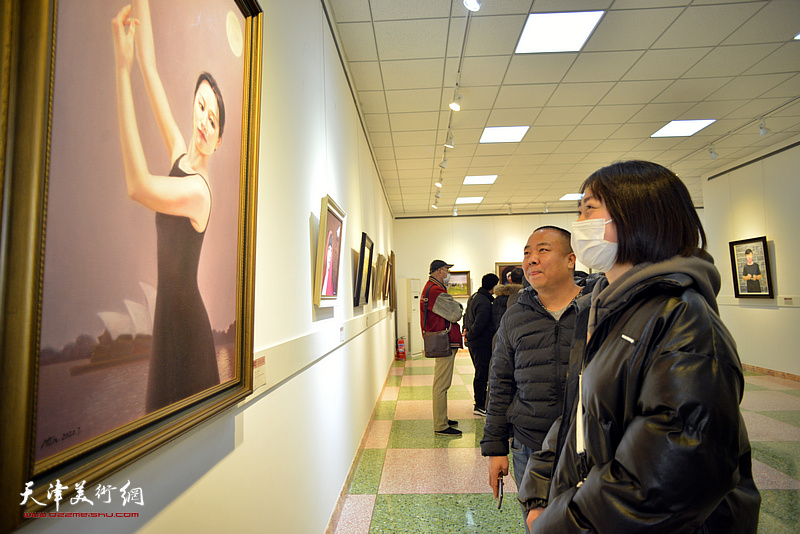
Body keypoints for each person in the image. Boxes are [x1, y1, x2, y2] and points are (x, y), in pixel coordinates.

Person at [519, 160, 760, 532]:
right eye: (579, 210)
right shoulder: (607, 309)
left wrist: (561, 523)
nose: (581, 222)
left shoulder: (683, 320)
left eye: (590, 208)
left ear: (637, 215)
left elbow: (665, 479)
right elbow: (582, 414)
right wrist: (540, 489)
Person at [113, 1, 223, 412]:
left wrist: (119, 71)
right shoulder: (180, 154)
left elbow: (137, 185)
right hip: (167, 320)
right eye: (200, 107)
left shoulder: (199, 192)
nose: (202, 121)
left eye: (212, 120)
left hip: (187, 328)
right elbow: (150, 66)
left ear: (219, 140)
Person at [481, 227, 591, 531]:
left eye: (543, 250)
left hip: (587, 446)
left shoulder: (596, 311)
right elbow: (500, 383)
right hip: (529, 445)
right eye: (527, 253)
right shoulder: (515, 316)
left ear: (571, 259)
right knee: (537, 526)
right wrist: (495, 448)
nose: (531, 260)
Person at [421, 260, 464, 436]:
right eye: (447, 270)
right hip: (444, 341)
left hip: (443, 340)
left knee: (442, 383)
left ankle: (443, 418)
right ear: (439, 271)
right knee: (441, 384)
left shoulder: (432, 288)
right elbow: (456, 313)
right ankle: (440, 424)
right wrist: (459, 306)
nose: (448, 274)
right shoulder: (435, 290)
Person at [463, 273, 499, 416]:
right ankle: (479, 405)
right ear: (494, 286)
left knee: (480, 372)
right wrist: (470, 335)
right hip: (481, 343)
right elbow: (480, 323)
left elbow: (466, 317)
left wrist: (466, 333)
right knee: (482, 374)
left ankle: (481, 402)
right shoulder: (484, 302)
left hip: (475, 342)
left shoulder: (474, 297)